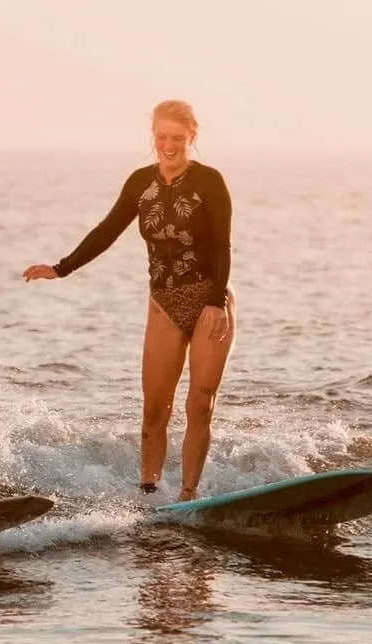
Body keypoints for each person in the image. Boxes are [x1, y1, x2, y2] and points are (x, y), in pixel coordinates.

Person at [23, 100, 235, 502]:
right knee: (155, 408)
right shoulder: (140, 182)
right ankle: (149, 490)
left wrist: (216, 301)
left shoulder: (209, 181)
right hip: (164, 304)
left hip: (209, 300)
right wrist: (61, 267)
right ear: (152, 136)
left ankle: (189, 495)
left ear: (192, 137)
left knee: (200, 404)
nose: (168, 145)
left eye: (177, 137)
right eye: (161, 137)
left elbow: (223, 245)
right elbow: (107, 231)